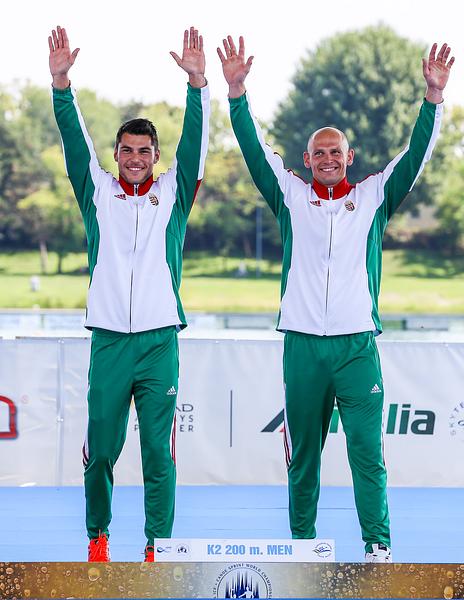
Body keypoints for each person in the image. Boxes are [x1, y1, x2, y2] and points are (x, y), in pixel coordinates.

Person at [218, 36, 454, 562]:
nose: (327, 159)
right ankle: (302, 548)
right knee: (303, 458)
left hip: (356, 348)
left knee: (367, 454)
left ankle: (378, 546)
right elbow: (254, 150)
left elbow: (416, 155)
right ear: (306, 159)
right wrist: (236, 93)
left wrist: (433, 98)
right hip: (303, 346)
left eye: (335, 152)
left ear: (350, 157)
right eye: (319, 152)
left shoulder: (373, 196)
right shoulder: (290, 195)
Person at [49, 25, 210, 562]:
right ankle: (98, 536)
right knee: (100, 451)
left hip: (160, 341)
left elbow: (196, 146)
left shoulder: (173, 194)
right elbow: (74, 143)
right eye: (127, 150)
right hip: (111, 341)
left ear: (156, 155)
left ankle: (157, 545)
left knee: (159, 454)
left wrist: (197, 86)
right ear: (116, 154)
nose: (135, 157)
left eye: (144, 150)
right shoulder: (97, 191)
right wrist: (61, 85)